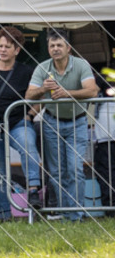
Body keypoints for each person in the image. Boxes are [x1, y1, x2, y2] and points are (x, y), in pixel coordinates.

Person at [26, 28, 98, 221]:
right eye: (52, 45)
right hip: (51, 122)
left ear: (68, 48)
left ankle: (76, 214)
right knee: (56, 172)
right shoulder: (43, 67)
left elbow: (92, 91)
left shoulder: (81, 64)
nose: (55, 49)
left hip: (78, 122)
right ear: (48, 49)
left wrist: (67, 93)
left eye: (59, 45)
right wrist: (43, 89)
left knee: (74, 168)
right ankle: (67, 213)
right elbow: (28, 96)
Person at [0, 27, 42, 220]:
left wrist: (30, 115)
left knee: (27, 144)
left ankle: (33, 189)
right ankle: (4, 214)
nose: (3, 49)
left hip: (17, 123)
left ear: (17, 50)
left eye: (8, 46)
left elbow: (40, 97)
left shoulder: (27, 72)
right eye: (0, 46)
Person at [93, 73, 115, 216]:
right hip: (104, 140)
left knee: (107, 173)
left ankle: (110, 207)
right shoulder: (100, 99)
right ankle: (110, 208)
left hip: (105, 140)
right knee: (106, 174)